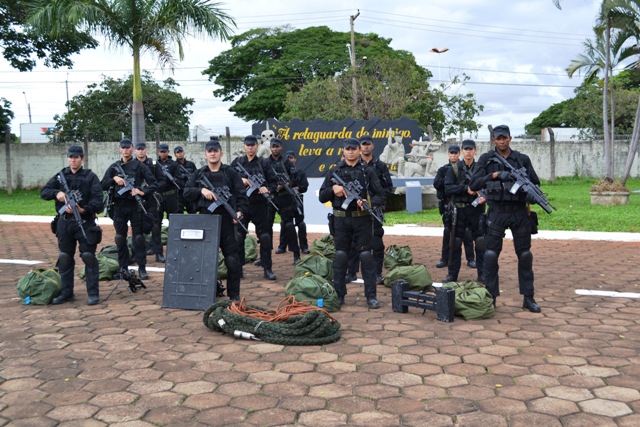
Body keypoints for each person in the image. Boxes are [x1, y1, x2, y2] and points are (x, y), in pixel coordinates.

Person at [469, 125, 542, 313]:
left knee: (525, 255)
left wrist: (532, 195)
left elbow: (535, 183)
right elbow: (474, 184)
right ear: (494, 140)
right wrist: (494, 175)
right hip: (496, 211)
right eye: (498, 138)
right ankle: (491, 297)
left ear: (510, 138)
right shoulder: (486, 160)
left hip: (518, 211)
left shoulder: (522, 159)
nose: (501, 141)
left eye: (504, 138)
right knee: (491, 255)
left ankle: (528, 297)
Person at [319, 138, 386, 309]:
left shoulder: (367, 171)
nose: (351, 152)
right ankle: (339, 295)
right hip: (341, 219)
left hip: (362, 219)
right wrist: (333, 190)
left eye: (353, 149)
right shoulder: (335, 170)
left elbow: (381, 195)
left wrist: (367, 203)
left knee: (366, 256)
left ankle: (371, 296)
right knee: (341, 256)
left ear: (358, 150)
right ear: (343, 151)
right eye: (347, 149)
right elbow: (322, 196)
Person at [183, 139, 248, 301]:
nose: (212, 153)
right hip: (206, 221)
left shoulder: (230, 173)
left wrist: (239, 212)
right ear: (205, 154)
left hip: (226, 220)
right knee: (204, 260)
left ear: (221, 153)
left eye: (215, 150)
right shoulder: (199, 174)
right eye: (209, 151)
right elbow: (186, 192)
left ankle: (234, 295)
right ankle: (205, 293)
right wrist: (201, 190)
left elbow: (242, 196)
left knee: (232, 260)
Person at [40, 145, 104, 305]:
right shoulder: (61, 176)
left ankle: (93, 293)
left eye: (76, 157)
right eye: (70, 157)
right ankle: (67, 293)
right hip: (64, 222)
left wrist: (83, 209)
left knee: (88, 257)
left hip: (85, 222)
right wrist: (57, 194)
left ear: (81, 159)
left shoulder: (90, 177)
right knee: (65, 257)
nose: (73, 160)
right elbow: (44, 192)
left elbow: (99, 202)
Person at [101, 138, 157, 280]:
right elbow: (102, 184)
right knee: (120, 238)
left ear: (132, 148)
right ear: (120, 149)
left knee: (138, 238)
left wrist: (142, 192)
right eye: (123, 147)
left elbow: (154, 183)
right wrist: (114, 179)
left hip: (135, 205)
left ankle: (142, 267)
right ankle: (123, 268)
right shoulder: (114, 167)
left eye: (128, 147)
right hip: (119, 206)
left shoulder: (139, 166)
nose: (125, 150)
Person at [230, 135, 278, 280]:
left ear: (257, 146)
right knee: (238, 237)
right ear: (244, 147)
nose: (250, 147)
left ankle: (267, 267)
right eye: (247, 145)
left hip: (260, 205)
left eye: (252, 145)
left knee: (264, 237)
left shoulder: (263, 163)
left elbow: (274, 183)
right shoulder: (237, 163)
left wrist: (267, 189)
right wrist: (240, 180)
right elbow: (227, 182)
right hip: (242, 205)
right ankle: (238, 269)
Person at [346, 134, 392, 284]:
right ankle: (351, 272)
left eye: (368, 144)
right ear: (360, 148)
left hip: (374, 209)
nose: (365, 146)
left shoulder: (380, 166)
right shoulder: (352, 166)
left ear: (372, 146)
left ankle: (377, 274)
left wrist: (371, 202)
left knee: (376, 242)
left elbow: (387, 189)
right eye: (363, 144)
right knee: (353, 241)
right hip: (356, 209)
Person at [442, 139, 486, 283]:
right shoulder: (454, 168)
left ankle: (482, 274)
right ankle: (452, 274)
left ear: (475, 150)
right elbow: (447, 188)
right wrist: (465, 189)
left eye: (471, 149)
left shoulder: (481, 168)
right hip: (459, 211)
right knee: (455, 242)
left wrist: (484, 195)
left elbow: (489, 186)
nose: (468, 151)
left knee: (480, 242)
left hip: (476, 210)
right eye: (466, 149)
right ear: (462, 151)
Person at [433, 145, 476, 269]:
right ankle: (445, 258)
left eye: (456, 153)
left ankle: (471, 259)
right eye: (451, 153)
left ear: (459, 154)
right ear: (448, 154)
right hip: (449, 204)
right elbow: (437, 184)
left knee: (467, 233)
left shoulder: (464, 169)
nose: (454, 155)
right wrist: (448, 179)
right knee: (448, 233)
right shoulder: (444, 169)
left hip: (465, 204)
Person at [267, 138, 301, 265]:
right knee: (267, 227)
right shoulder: (265, 162)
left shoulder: (287, 162)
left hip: (285, 197)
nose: (275, 149)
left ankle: (296, 254)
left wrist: (286, 184)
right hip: (271, 197)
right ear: (270, 148)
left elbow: (295, 179)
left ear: (281, 148)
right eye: (273, 146)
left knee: (289, 226)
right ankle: (266, 256)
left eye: (277, 146)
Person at [134, 141, 165, 261]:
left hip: (151, 198)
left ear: (146, 150)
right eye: (138, 149)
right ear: (135, 150)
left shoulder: (153, 164)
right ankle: (136, 254)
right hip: (136, 199)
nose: (140, 151)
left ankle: (159, 253)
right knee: (137, 228)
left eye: (142, 149)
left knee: (155, 226)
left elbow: (162, 181)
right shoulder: (131, 164)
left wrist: (150, 189)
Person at [276, 150, 310, 255]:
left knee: (301, 224)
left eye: (291, 158)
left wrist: (296, 188)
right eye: (288, 158)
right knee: (285, 224)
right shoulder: (279, 174)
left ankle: (304, 247)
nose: (289, 160)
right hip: (285, 202)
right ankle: (282, 246)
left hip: (298, 201)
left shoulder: (300, 172)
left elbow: (305, 186)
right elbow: (274, 187)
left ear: (295, 159)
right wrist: (281, 187)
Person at [152, 142, 181, 262]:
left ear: (168, 152)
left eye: (164, 151)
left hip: (170, 196)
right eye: (161, 151)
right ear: (158, 152)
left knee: (174, 223)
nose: (162, 153)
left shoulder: (174, 165)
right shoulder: (154, 164)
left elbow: (179, 179)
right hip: (158, 197)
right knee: (156, 225)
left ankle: (175, 250)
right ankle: (158, 252)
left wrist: (171, 180)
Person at [174, 145, 197, 214]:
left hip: (190, 192)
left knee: (192, 212)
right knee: (179, 213)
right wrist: (181, 177)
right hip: (179, 193)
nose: (180, 154)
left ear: (184, 153)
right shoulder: (173, 165)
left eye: (181, 152)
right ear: (175, 155)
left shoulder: (191, 164)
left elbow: (196, 175)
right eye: (178, 152)